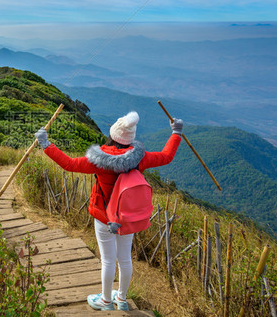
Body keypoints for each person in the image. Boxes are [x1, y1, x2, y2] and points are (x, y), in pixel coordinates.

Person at [35, 111, 183, 311]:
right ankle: (121, 299)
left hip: (104, 216)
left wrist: (46, 144)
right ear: (130, 138)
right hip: (127, 218)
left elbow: (68, 164)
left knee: (107, 259)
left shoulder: (98, 160)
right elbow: (166, 157)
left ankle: (105, 301)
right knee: (124, 258)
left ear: (112, 135)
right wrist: (176, 133)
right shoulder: (140, 158)